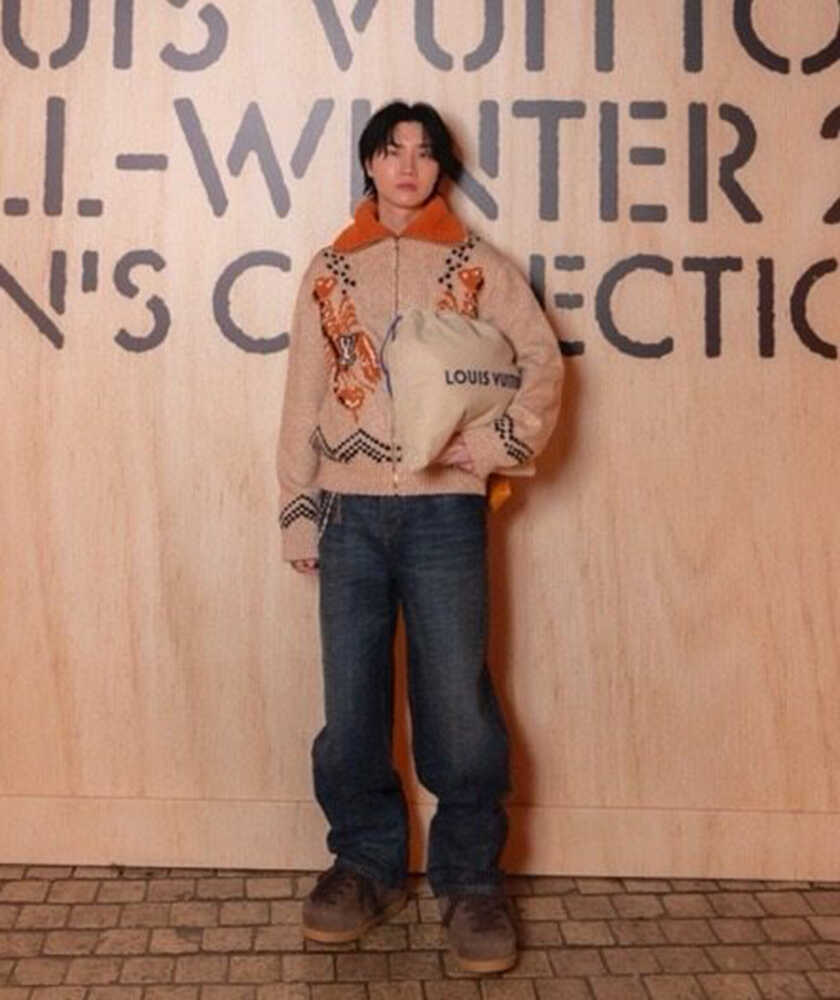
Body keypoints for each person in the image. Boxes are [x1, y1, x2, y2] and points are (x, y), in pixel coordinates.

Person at [276, 100, 562, 974]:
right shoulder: (330, 268)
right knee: (352, 701)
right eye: (392, 150)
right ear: (370, 163)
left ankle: (470, 880)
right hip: (348, 513)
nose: (407, 166)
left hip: (445, 513)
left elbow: (541, 363)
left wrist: (497, 443)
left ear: (441, 169)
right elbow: (302, 392)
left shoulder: (478, 264)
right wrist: (297, 506)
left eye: (425, 152)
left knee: (457, 700)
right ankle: (365, 865)